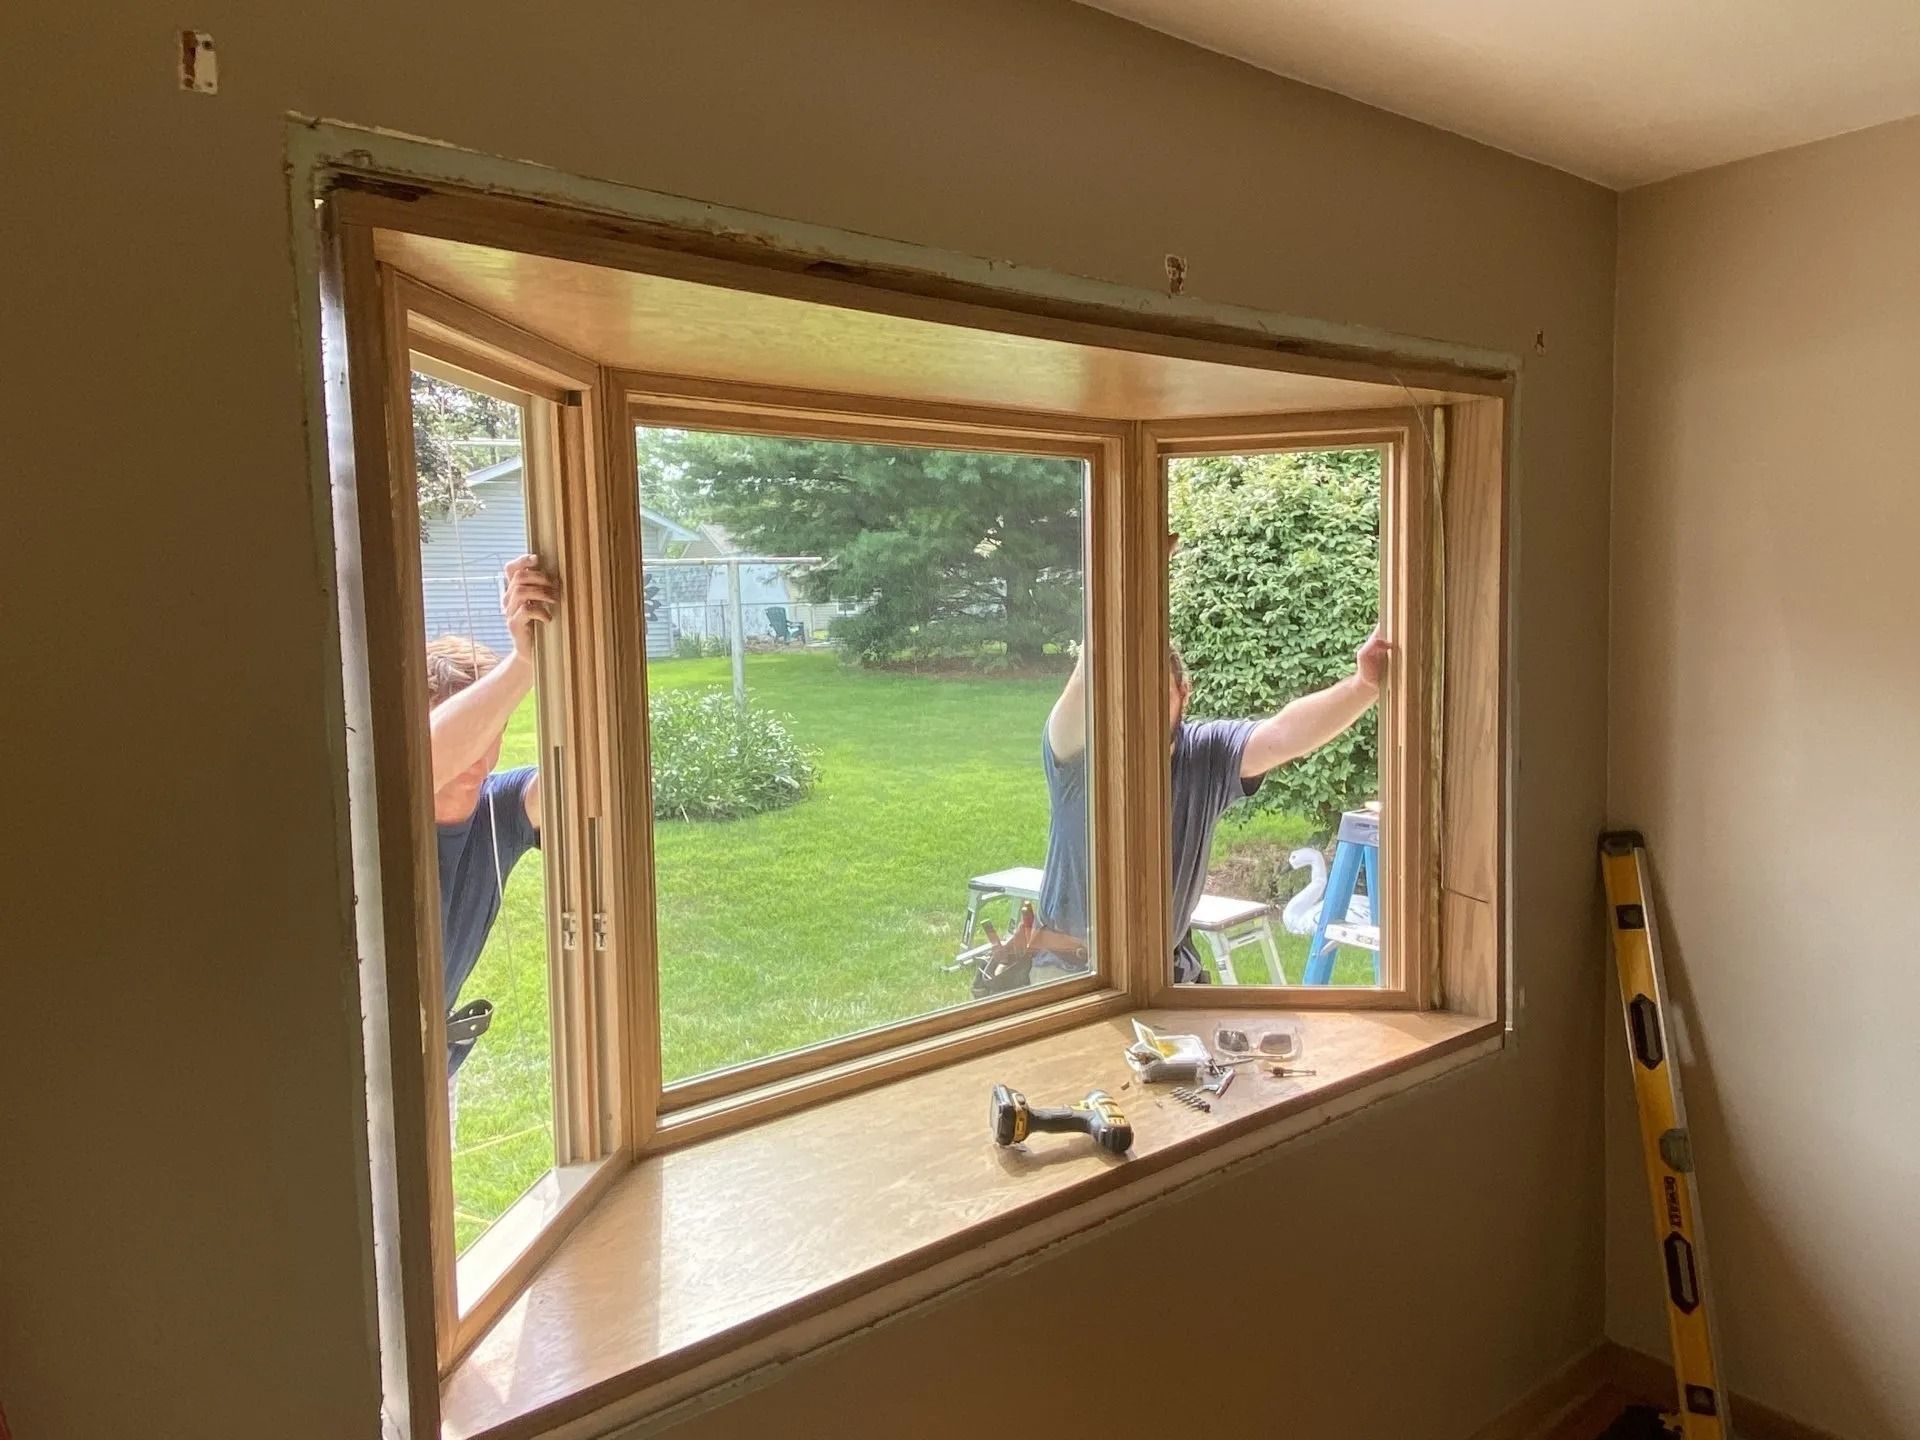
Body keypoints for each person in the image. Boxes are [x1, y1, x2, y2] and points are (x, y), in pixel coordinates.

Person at [1036, 593, 1389, 985]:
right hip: (1069, 972)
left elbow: (1283, 733)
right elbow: (1085, 676)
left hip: (1164, 972)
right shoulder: (1079, 756)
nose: (1142, 709)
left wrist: (1365, 685)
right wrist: (1122, 591)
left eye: (1157, 694)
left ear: (1184, 692)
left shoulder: (1206, 753)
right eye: (1128, 692)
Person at [428, 555, 558, 1072]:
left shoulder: (501, 807)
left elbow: (590, 777)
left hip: (436, 1065)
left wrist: (567, 633)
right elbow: (423, 759)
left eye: (492, 732)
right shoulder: (381, 810)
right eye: (469, 731)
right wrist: (521, 664)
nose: (476, 755)